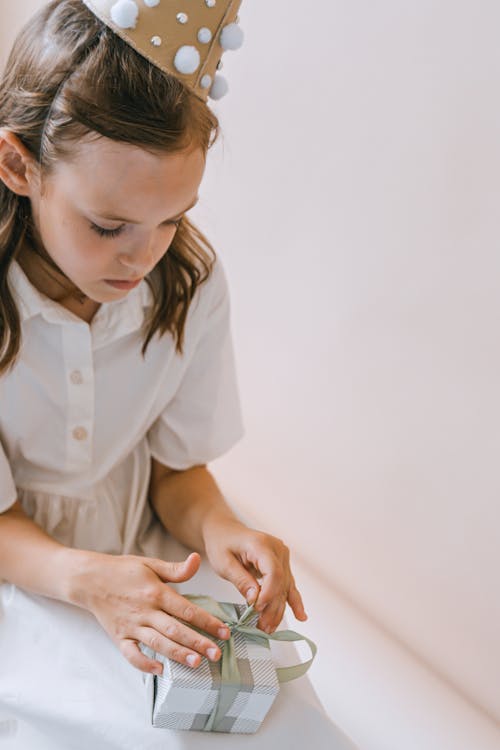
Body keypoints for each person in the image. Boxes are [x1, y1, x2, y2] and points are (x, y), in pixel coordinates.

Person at [0, 1, 357, 748]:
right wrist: (89, 581)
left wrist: (222, 527)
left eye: (172, 218)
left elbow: (175, 474)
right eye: (109, 226)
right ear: (17, 165)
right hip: (23, 579)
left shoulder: (187, 282)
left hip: (140, 554)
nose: (145, 255)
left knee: (293, 731)